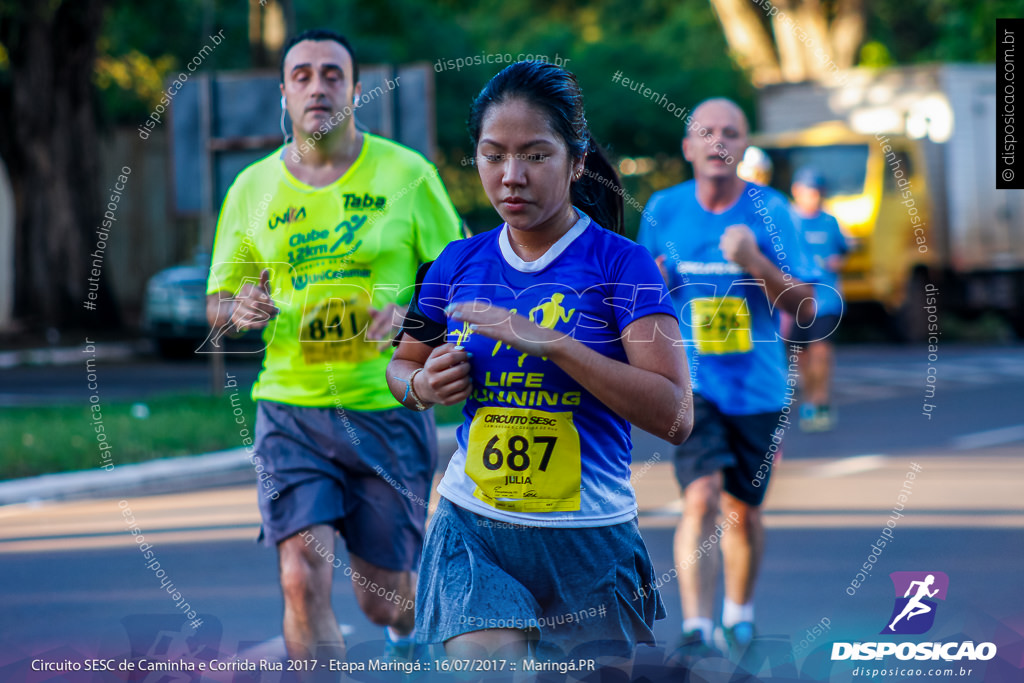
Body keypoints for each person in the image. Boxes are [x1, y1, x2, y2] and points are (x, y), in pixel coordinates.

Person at [387, 61, 693, 666]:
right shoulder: (454, 263)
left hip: (590, 538)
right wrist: (422, 385)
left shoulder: (622, 265)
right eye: (492, 155)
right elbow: (402, 365)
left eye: (535, 155)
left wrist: (556, 345)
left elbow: (676, 415)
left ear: (576, 162)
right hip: (475, 530)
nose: (510, 177)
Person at [204, 28, 462, 667]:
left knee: (384, 600)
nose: (317, 86)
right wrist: (238, 308)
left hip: (387, 407)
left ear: (353, 90)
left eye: (332, 75)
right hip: (290, 408)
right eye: (302, 76)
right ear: (284, 95)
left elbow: (460, 280)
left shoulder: (408, 174)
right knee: (299, 575)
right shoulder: (251, 190)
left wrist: (410, 316)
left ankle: (410, 643)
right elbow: (218, 302)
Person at [638, 98, 819, 660]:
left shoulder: (772, 211)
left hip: (760, 387)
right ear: (688, 147)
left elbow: (808, 307)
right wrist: (656, 288)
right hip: (692, 386)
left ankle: (738, 612)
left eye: (731, 133)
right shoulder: (663, 211)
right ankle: (697, 627)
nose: (719, 141)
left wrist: (756, 262)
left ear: (744, 147)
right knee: (701, 498)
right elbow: (636, 304)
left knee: (744, 509)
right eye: (706, 132)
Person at [789, 167, 848, 432]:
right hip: (797, 302)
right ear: (796, 192)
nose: (812, 198)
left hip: (826, 299)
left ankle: (821, 401)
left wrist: (838, 261)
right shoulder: (787, 220)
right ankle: (809, 399)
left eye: (817, 193)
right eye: (807, 192)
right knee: (802, 357)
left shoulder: (829, 222)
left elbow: (843, 251)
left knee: (821, 352)